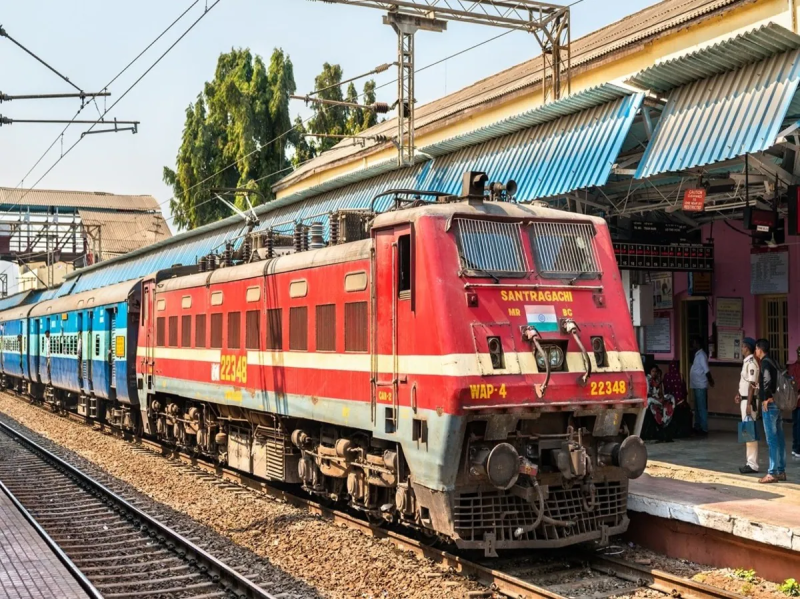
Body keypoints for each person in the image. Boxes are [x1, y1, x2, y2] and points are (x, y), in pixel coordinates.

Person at [755, 339, 786, 483]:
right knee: (779, 438)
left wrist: (766, 398)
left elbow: (767, 381)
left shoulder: (765, 363)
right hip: (777, 404)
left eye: (756, 349)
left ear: (760, 350)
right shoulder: (774, 361)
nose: (755, 351)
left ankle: (772, 473)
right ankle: (781, 471)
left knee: (772, 439)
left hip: (770, 405)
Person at [736, 338, 759, 474]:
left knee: (749, 432)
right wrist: (739, 394)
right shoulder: (746, 362)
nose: (742, 349)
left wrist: (749, 404)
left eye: (743, 347)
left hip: (749, 402)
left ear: (748, 348)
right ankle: (749, 462)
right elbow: (745, 384)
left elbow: (752, 385)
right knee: (747, 431)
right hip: (745, 400)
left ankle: (752, 464)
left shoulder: (751, 363)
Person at [689, 336, 714, 436]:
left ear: (698, 344)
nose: (693, 344)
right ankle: (697, 426)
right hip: (696, 384)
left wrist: (711, 380)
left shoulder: (702, 355)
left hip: (700, 385)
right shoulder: (697, 355)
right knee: (697, 408)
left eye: (694, 342)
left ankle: (704, 428)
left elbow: (706, 370)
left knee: (701, 408)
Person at [663, 361, 692, 438]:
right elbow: (684, 390)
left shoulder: (667, 376)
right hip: (680, 402)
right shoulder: (680, 376)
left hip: (670, 402)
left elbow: (665, 390)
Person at [788, 345, 800, 459]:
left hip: (794, 400)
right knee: (798, 425)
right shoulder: (793, 367)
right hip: (797, 400)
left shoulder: (792, 367)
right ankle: (797, 449)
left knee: (796, 424)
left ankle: (795, 447)